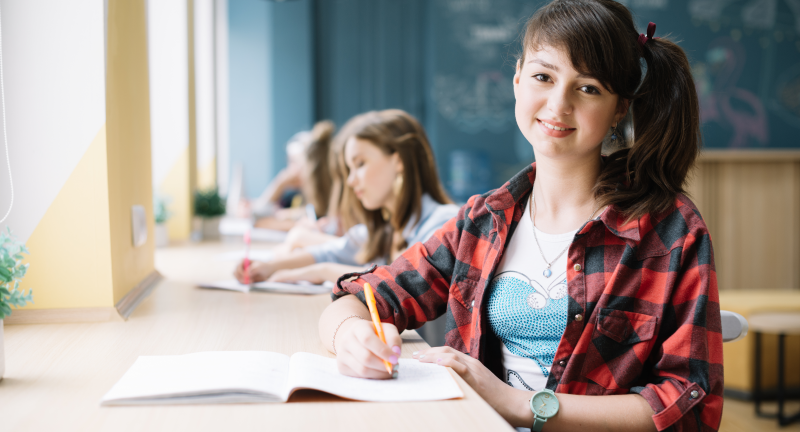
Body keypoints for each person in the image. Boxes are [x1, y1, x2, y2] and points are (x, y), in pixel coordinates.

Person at [319, 1, 723, 431]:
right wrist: (351, 336)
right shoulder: (483, 220)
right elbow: (361, 299)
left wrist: (516, 403)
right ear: (517, 79)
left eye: (587, 88)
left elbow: (690, 405)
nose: (558, 104)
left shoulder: (670, 231)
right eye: (543, 77)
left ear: (619, 109)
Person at [235, 109, 458, 285]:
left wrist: (322, 272)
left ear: (398, 160)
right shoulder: (385, 229)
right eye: (348, 170)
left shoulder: (443, 223)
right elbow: (330, 252)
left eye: (360, 164)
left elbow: (404, 282)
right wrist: (266, 267)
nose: (351, 182)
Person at [251, 120, 336, 231]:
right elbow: (257, 217)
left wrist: (279, 183)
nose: (290, 169)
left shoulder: (330, 199)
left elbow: (257, 218)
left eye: (294, 162)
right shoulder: (293, 197)